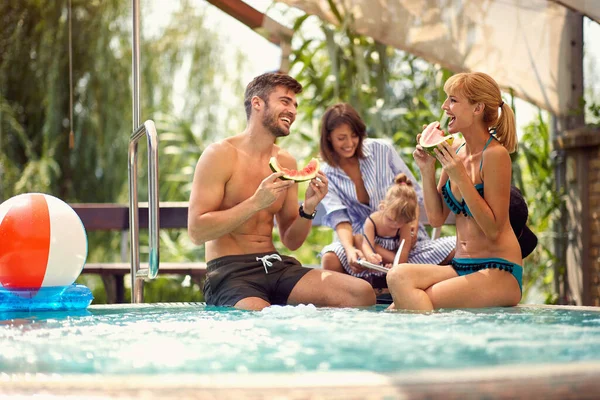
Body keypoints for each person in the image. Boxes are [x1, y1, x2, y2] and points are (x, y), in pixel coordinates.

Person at [187, 72, 376, 311]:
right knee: (259, 317)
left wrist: (309, 208)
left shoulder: (286, 160)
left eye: (295, 105)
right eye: (285, 101)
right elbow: (196, 231)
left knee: (361, 294)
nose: (293, 111)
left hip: (275, 266)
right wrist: (256, 202)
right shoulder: (220, 155)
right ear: (257, 103)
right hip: (230, 271)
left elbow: (292, 240)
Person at [386, 71, 530, 311]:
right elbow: (436, 218)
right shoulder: (456, 150)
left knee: (412, 304)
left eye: (453, 100)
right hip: (460, 266)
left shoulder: (495, 155)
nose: (444, 106)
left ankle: (435, 348)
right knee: (397, 276)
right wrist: (427, 169)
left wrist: (460, 176)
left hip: (498, 269)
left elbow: (494, 230)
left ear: (477, 108)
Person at [319, 103, 456, 290]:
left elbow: (412, 192)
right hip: (364, 249)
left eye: (354, 136)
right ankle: (370, 290)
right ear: (328, 138)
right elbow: (339, 219)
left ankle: (401, 280)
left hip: (404, 246)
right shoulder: (326, 173)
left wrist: (412, 227)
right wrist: (351, 251)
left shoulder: (382, 150)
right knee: (331, 258)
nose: (350, 143)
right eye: (341, 138)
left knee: (457, 247)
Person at [360, 173, 419, 269]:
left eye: (400, 222)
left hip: (396, 259)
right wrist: (371, 255)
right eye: (390, 219)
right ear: (382, 207)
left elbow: (404, 251)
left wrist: (396, 266)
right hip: (378, 259)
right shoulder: (372, 221)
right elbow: (367, 245)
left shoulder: (404, 226)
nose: (395, 225)